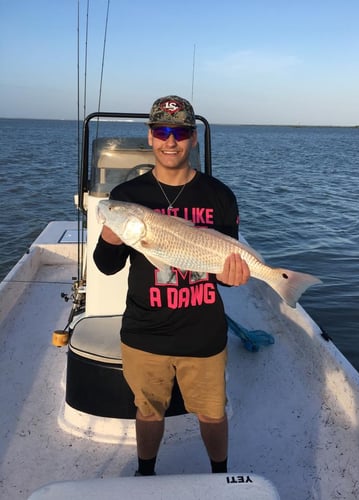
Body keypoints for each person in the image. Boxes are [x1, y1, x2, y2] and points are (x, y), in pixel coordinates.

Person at [93, 95, 250, 476]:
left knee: (213, 413)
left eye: (179, 132)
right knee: (147, 411)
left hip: (204, 332)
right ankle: (145, 470)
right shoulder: (127, 198)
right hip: (145, 332)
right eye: (162, 131)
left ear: (193, 138)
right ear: (150, 137)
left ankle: (220, 473)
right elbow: (106, 266)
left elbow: (223, 272)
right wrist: (112, 239)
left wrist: (234, 277)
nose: (170, 141)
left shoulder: (219, 196)